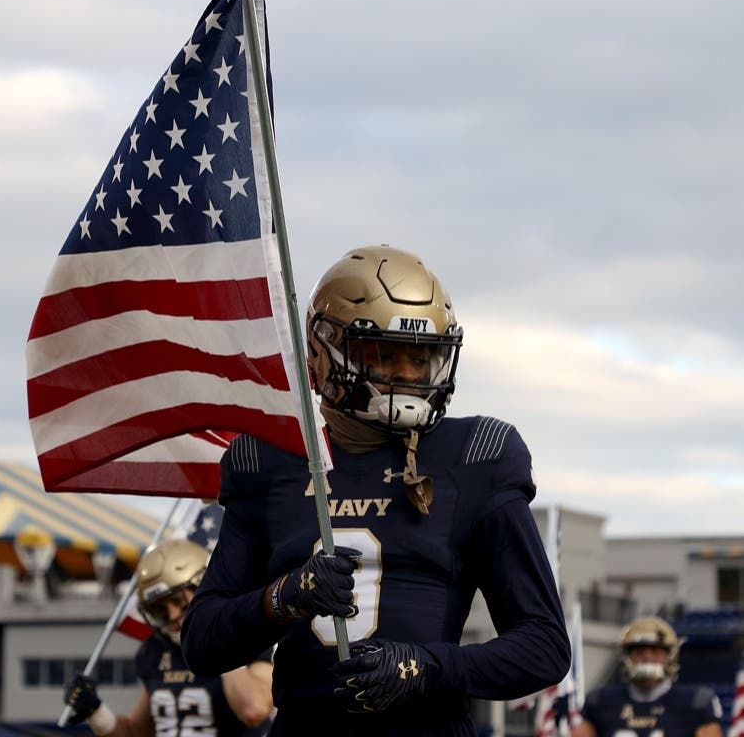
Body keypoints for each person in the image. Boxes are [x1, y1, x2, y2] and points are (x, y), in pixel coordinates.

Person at [180, 244, 572, 735]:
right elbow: (201, 642)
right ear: (322, 355)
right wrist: (284, 597)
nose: (408, 375)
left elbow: (544, 646)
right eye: (385, 355)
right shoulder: (270, 459)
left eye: (421, 357)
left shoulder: (475, 456)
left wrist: (427, 668)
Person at [64, 537, 274, 737]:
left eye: (178, 601)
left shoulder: (245, 634)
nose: (173, 616)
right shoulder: (156, 650)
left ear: (203, 587)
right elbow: (138, 733)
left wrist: (217, 638)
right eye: (160, 610)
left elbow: (254, 710)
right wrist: (96, 713)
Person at [572, 615, 723, 737]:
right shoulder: (600, 701)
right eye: (639, 652)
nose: (647, 657)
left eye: (656, 652)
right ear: (626, 657)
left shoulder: (696, 703)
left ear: (671, 656)